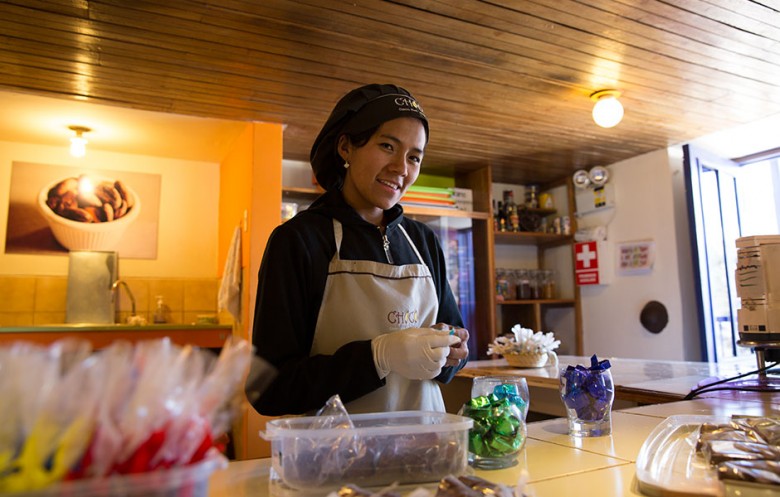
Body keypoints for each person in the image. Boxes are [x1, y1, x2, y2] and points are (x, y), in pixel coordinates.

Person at [248, 83, 470, 416]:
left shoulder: (423, 241)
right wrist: (378, 356)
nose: (401, 168)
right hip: (335, 459)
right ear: (345, 147)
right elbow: (268, 389)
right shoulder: (299, 240)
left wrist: (451, 351)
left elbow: (451, 359)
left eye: (414, 157)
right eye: (386, 146)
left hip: (424, 449)